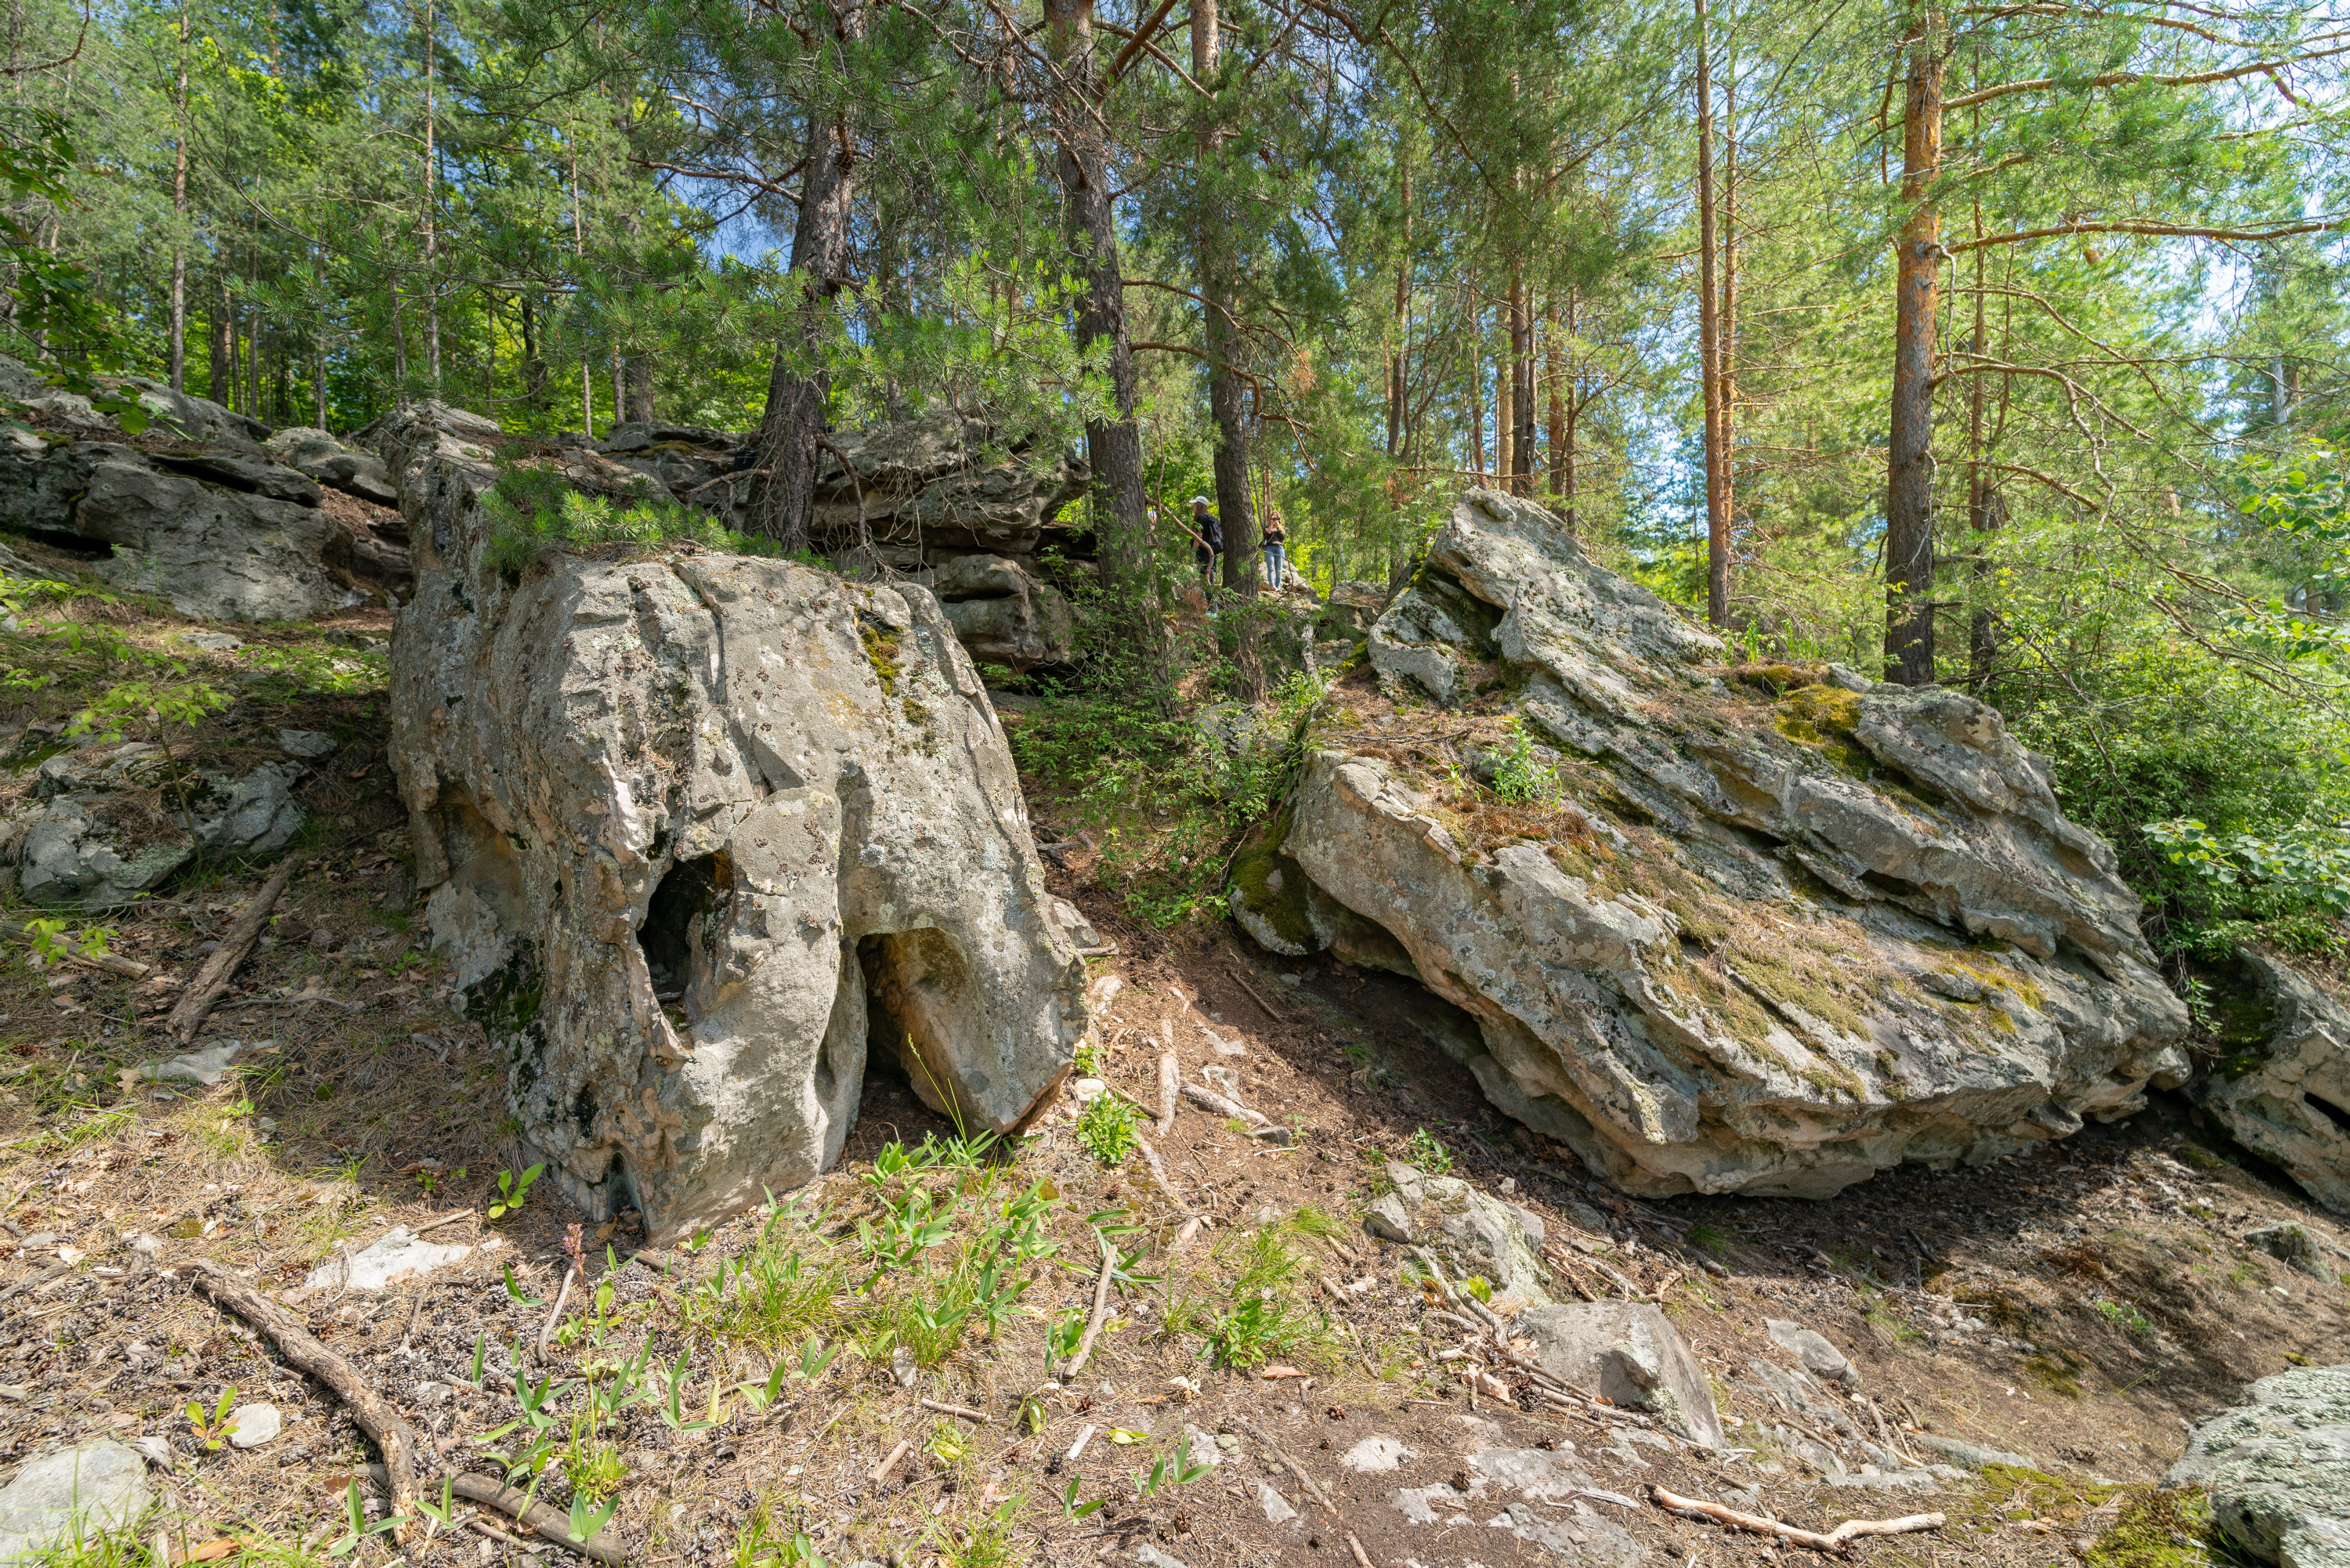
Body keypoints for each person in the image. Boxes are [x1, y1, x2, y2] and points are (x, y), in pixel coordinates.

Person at [1188, 496, 1221, 587]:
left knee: (1207, 583)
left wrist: (1192, 552)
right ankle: (1211, 601)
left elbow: (1198, 537)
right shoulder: (1209, 517)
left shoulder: (1201, 517)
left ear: (1199, 505)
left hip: (1204, 555)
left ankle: (1212, 602)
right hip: (1210, 554)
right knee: (1208, 582)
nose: (1192, 507)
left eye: (1194, 505)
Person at [1260, 508, 1287, 591]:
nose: (1274, 518)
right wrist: (1271, 525)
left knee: (1279, 570)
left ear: (1278, 518)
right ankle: (1272, 586)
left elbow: (1283, 536)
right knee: (1271, 568)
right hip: (1269, 548)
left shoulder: (1282, 528)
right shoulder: (1267, 527)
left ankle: (1278, 587)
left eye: (1276, 516)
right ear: (1271, 518)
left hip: (1279, 548)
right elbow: (1266, 535)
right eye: (1273, 516)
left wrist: (1278, 526)